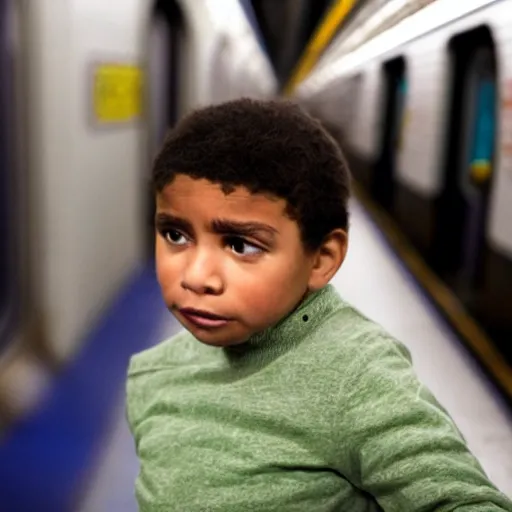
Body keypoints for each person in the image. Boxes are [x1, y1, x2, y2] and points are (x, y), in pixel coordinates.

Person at [126, 98, 512, 511]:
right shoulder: (152, 374)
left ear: (321, 259)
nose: (197, 277)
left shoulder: (356, 377)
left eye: (241, 245)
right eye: (175, 235)